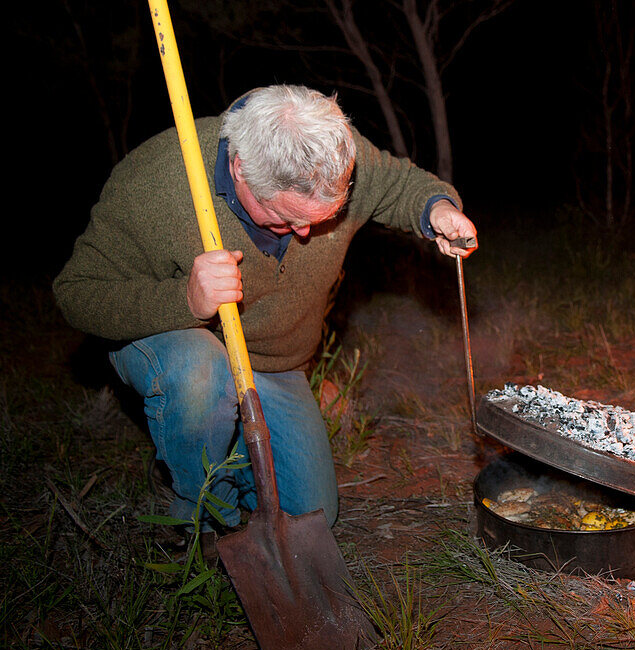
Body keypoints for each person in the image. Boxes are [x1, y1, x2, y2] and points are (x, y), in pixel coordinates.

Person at [54, 85, 477, 540]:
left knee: (311, 513)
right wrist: (185, 300)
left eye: (323, 217)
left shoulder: (334, 157)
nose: (306, 233)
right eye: (285, 218)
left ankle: (230, 441)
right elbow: (77, 293)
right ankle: (199, 515)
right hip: (182, 341)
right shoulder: (160, 180)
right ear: (239, 168)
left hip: (273, 364)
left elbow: (400, 185)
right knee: (201, 374)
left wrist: (437, 208)